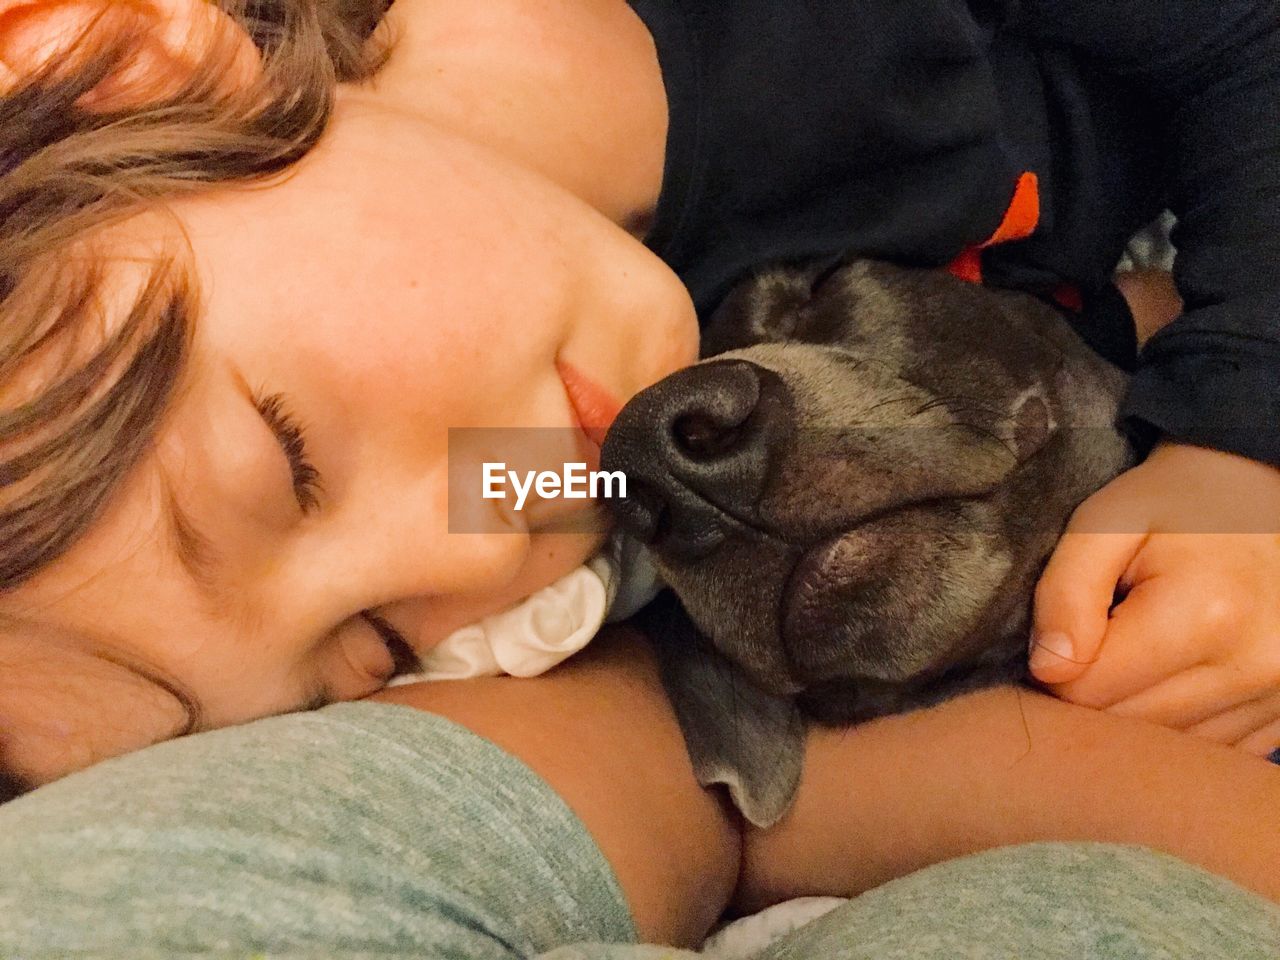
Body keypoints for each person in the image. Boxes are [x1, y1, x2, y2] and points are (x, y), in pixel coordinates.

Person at [1, 0, 1279, 953]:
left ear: (121, 61)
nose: (478, 549)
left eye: (289, 459)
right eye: (372, 643)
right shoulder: (530, 428)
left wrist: (1239, 436)